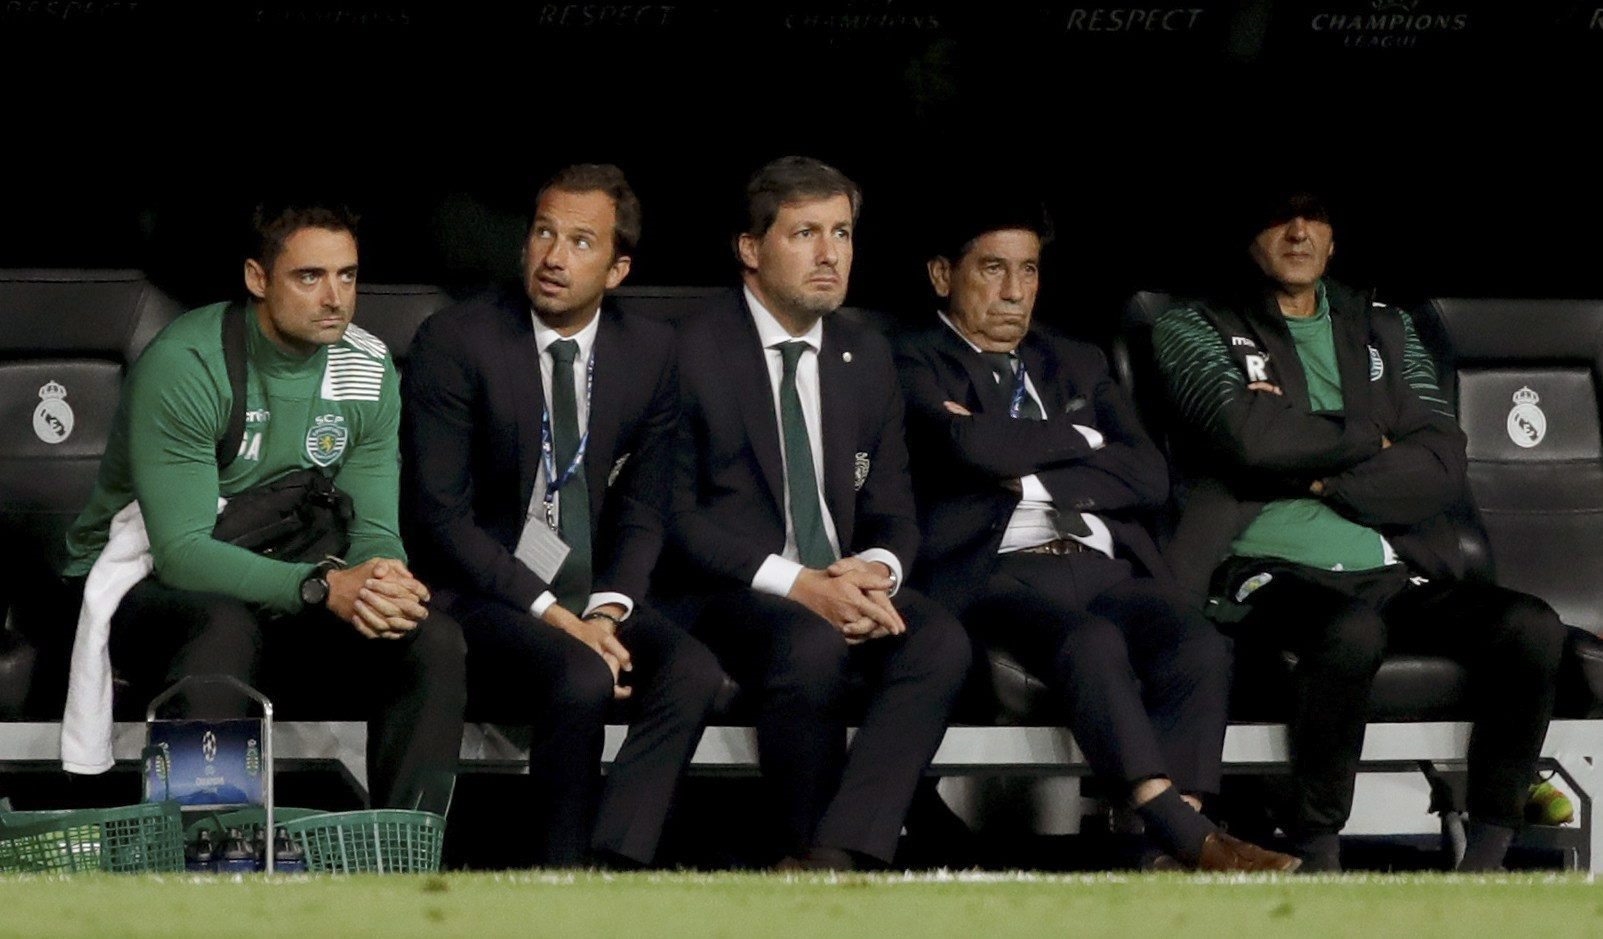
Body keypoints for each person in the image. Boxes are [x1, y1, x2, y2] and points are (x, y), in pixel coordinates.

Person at [1152, 189, 1566, 872]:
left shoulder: (1385, 327)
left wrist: (1317, 470)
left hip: (1387, 567)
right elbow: (1245, 438)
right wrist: (1370, 438)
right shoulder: (1192, 326)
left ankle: (1488, 856)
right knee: (1348, 630)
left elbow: (1440, 460)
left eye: (1313, 216)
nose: (1297, 231)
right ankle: (1317, 852)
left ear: (1333, 237)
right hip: (1261, 571)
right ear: (1247, 234)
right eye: (1278, 215)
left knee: (1531, 627)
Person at [894, 194, 1298, 872]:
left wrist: (1025, 473)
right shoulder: (909, 360)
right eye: (993, 269)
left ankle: (1170, 849)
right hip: (995, 569)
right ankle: (1184, 833)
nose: (1014, 290)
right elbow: (966, 447)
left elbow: (1146, 474)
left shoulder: (1075, 359)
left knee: (1197, 643)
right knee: (1089, 641)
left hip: (1100, 561)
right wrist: (1083, 438)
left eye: (1028, 270)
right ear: (942, 275)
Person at [60, 201, 465, 814]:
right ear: (257, 278)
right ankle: (207, 851)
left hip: (291, 567)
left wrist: (383, 578)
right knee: (220, 625)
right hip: (148, 580)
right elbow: (182, 553)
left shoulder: (365, 364)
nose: (334, 298)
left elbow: (374, 527)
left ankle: (407, 853)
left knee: (429, 637)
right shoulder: (189, 363)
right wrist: (321, 588)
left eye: (347, 276)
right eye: (310, 277)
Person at [402, 164, 724, 867]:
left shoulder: (650, 351)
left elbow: (644, 506)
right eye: (543, 233)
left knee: (691, 672)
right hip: (482, 592)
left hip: (588, 595)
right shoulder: (457, 340)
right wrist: (557, 616)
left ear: (618, 268)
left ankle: (614, 861)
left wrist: (605, 611)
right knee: (580, 674)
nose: (553, 257)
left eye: (581, 242)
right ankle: (559, 870)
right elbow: (441, 518)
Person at [662, 156, 972, 871]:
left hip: (839, 580)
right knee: (809, 642)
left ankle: (838, 849)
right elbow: (675, 518)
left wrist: (875, 572)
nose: (830, 254)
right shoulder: (687, 350)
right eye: (805, 233)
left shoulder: (865, 353)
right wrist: (801, 585)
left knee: (938, 640)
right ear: (750, 248)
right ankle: (799, 841)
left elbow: (894, 508)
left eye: (842, 232)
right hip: (727, 590)